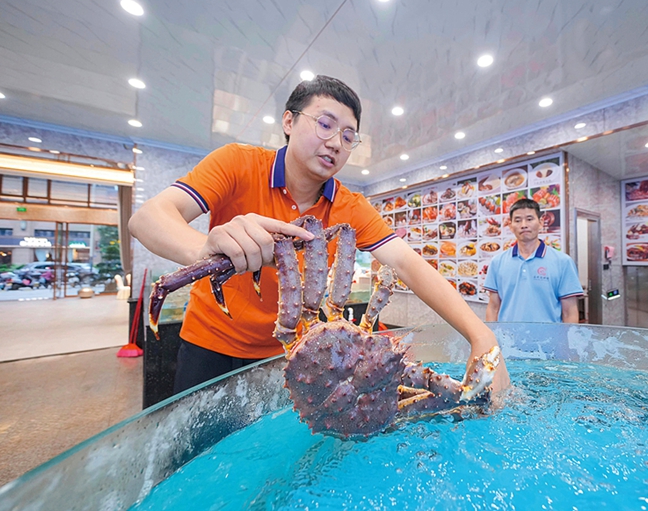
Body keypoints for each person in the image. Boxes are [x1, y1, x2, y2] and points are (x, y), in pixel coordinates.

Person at [130, 75, 510, 394]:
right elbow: (148, 219)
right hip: (209, 343)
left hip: (289, 355)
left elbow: (407, 263)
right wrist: (205, 248)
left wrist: (481, 336)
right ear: (289, 121)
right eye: (325, 124)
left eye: (348, 136)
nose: (335, 143)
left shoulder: (350, 206)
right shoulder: (237, 163)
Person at [485, 198, 583, 323]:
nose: (524, 225)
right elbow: (493, 308)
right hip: (507, 335)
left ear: (541, 223)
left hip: (549, 335)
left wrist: (568, 336)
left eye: (529, 219)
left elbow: (569, 312)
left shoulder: (563, 262)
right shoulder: (497, 262)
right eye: (517, 220)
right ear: (510, 225)